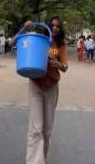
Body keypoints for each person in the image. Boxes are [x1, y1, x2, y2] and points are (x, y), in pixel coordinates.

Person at [12, 16, 68, 164]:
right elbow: (13, 43)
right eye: (52, 25)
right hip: (35, 84)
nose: (55, 28)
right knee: (36, 128)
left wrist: (59, 64)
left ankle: (42, 158)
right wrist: (24, 28)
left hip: (52, 86)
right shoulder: (39, 39)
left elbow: (65, 66)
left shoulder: (60, 45)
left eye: (57, 26)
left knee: (47, 130)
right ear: (48, 26)